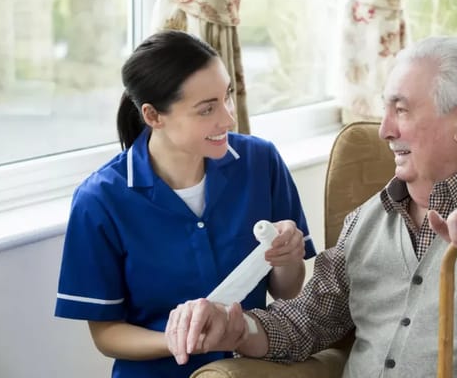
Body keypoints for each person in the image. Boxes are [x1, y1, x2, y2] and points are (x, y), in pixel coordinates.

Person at [164, 36, 457, 377]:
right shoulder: (365, 219)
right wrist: (235, 327)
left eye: (401, 110)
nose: (385, 130)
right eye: (385, 110)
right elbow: (306, 322)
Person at [54, 30, 316, 378]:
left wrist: (288, 258)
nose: (228, 119)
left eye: (227, 97)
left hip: (249, 371)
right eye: (207, 109)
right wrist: (184, 340)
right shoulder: (99, 201)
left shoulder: (261, 162)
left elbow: (287, 290)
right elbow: (106, 334)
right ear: (153, 116)